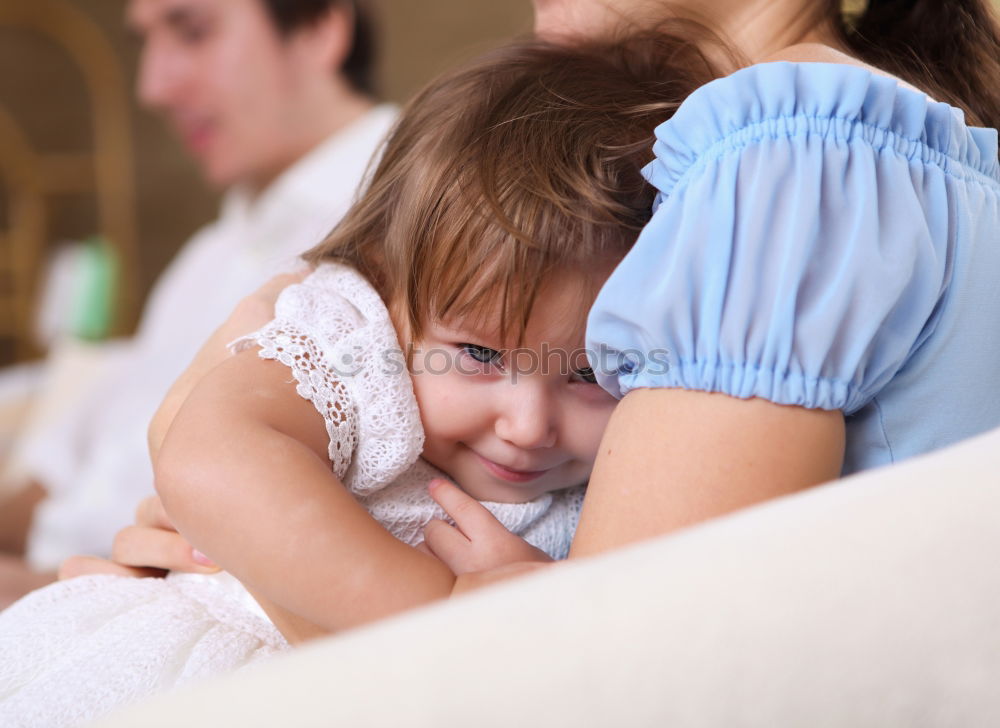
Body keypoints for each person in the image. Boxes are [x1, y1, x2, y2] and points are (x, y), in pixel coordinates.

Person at [75, 0, 1000, 599]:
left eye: (593, 372)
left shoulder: (785, 161)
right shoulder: (905, 149)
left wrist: (264, 570)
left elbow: (595, 685)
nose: (527, 420)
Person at [0, 31, 722, 726]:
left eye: (592, 373)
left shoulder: (639, 466)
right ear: (390, 294)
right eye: (477, 356)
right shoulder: (357, 341)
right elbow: (210, 457)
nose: (529, 424)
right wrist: (444, 611)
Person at [0, 0, 397, 606]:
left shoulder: (400, 217)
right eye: (147, 45)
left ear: (320, 30)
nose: (153, 86)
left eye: (193, 31)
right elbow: (60, 477)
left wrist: (36, 592)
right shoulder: (210, 251)